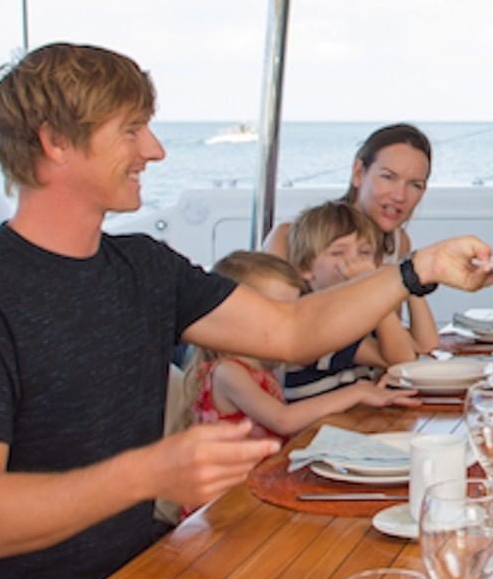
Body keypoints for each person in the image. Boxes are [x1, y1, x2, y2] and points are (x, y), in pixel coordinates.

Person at [0, 43, 493, 579]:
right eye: (131, 129)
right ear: (55, 143)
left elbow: (293, 329)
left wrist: (419, 268)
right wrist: (150, 471)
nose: (154, 149)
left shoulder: (142, 268)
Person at [179, 250, 420, 441]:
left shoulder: (264, 365)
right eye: (273, 311)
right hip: (227, 497)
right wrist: (358, 391)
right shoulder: (227, 372)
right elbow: (283, 420)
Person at [264, 123, 441, 352]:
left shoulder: (399, 243)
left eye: (415, 185)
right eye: (388, 177)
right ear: (358, 173)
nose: (400, 196)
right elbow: (270, 336)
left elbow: (389, 339)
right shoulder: (287, 237)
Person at [281, 200, 418, 400]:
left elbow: (409, 353)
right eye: (338, 253)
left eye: (364, 253)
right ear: (305, 268)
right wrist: (375, 291)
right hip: (317, 427)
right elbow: (402, 360)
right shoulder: (320, 319)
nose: (356, 262)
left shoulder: (354, 312)